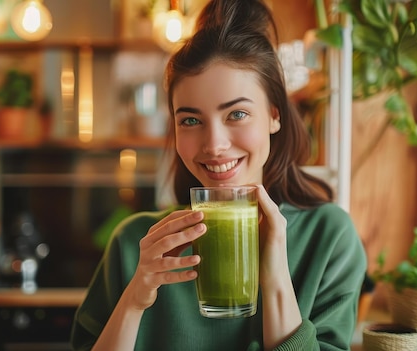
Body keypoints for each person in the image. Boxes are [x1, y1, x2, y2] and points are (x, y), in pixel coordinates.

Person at [70, 0, 367, 350]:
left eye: (237, 114)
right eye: (191, 120)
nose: (214, 145)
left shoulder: (328, 238)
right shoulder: (135, 243)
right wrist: (134, 300)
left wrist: (274, 278)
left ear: (275, 115)